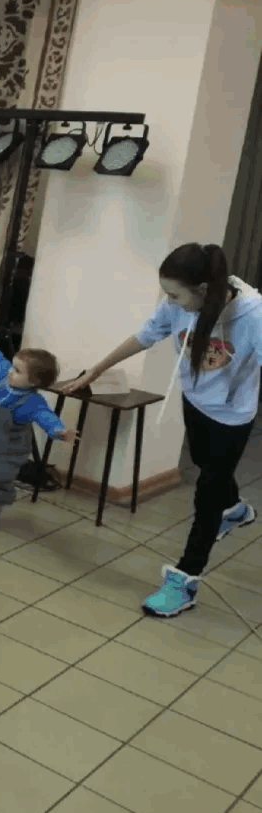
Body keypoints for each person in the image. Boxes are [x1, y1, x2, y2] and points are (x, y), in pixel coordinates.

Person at [58, 243, 262, 617]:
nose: (169, 302)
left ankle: (186, 578)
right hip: (195, 401)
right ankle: (234, 508)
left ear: (203, 289)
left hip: (232, 418)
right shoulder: (177, 306)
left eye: (175, 295)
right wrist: (97, 370)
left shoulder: (254, 315)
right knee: (206, 465)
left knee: (207, 495)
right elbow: (144, 336)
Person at [0, 320, 78, 529]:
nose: (10, 371)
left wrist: (59, 431)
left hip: (11, 450)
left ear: (33, 382)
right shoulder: (1, 372)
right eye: (13, 366)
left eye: (17, 370)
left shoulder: (32, 402)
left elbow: (46, 416)